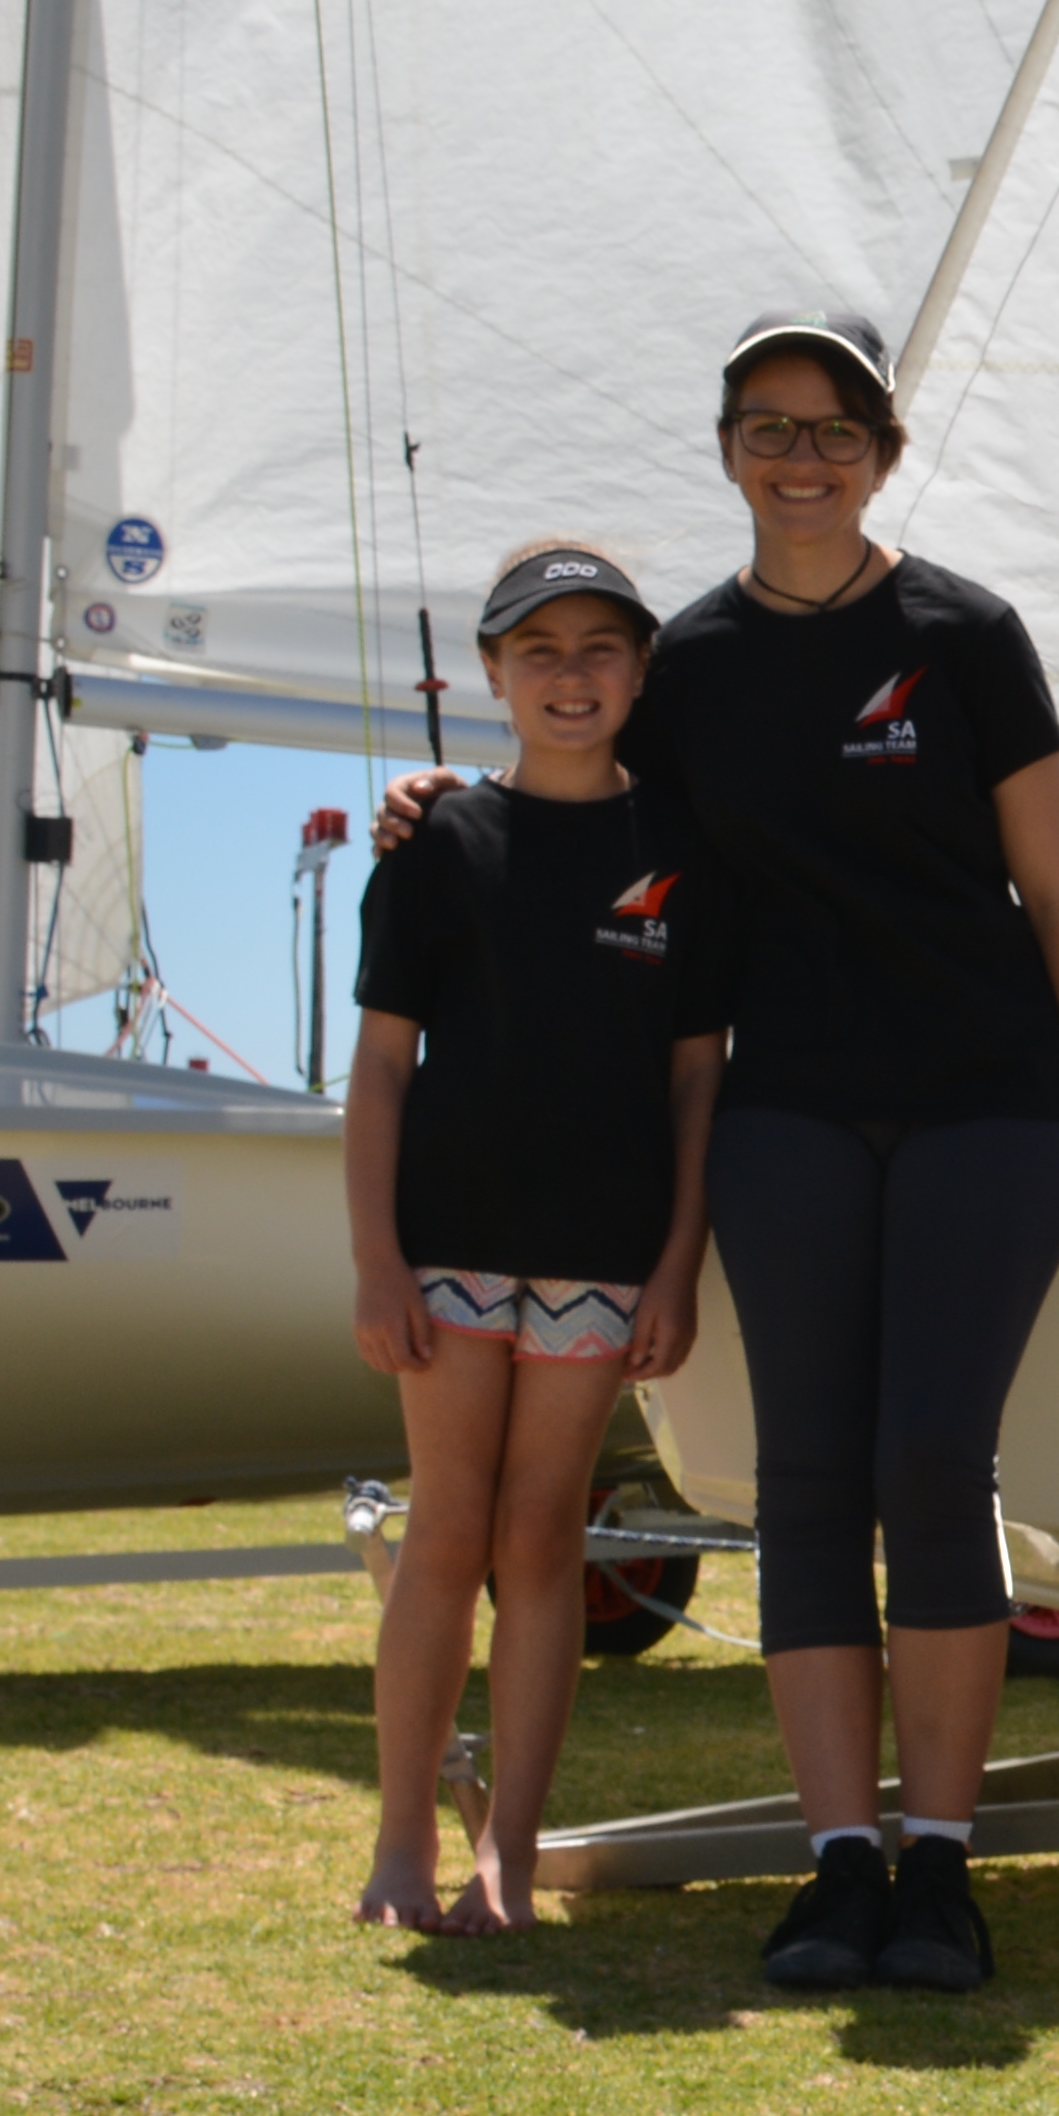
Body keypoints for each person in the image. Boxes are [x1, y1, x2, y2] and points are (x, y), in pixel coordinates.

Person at [386, 311, 1059, 1995]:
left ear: (882, 453)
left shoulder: (965, 634)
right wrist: (432, 808)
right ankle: (839, 1866)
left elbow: (1057, 891)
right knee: (808, 1482)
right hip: (786, 1111)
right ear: (730, 448)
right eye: (768, 426)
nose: (801, 457)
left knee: (931, 1465)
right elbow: (577, 783)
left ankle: (942, 1870)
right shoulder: (686, 666)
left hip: (985, 1102)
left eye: (833, 431)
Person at [339, 541, 728, 1932]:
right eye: (540, 650)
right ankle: (399, 1844)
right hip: (444, 1246)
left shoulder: (681, 852)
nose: (573, 674)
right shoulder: (439, 841)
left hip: (606, 1252)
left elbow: (698, 1075)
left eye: (602, 647)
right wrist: (377, 1260)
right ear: (492, 674)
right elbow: (382, 1065)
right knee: (446, 1532)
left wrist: (678, 1261)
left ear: (640, 671)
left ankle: (511, 1846)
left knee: (542, 1539)